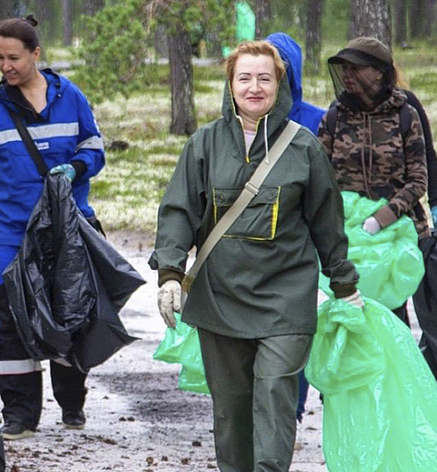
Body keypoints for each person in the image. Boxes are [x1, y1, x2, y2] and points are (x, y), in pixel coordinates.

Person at [152, 41, 361, 471]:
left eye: (265, 78)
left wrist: (345, 286)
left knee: (274, 394)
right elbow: (178, 211)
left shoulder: (304, 147)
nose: (254, 87)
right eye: (244, 77)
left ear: (279, 84)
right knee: (231, 410)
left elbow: (327, 222)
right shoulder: (204, 144)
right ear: (230, 85)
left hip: (286, 298)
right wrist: (170, 272)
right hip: (221, 298)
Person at [0, 15, 105, 441]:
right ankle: (20, 413)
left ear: (36, 54)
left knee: (67, 312)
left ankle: (72, 401)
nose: (6, 66)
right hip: (9, 231)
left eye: (14, 58)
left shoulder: (70, 97)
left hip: (63, 229)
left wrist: (76, 168)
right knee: (9, 321)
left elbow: (94, 149)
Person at [318, 36, 428, 325]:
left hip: (396, 233)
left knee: (392, 317)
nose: (347, 75)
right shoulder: (334, 117)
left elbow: (418, 179)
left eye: (355, 68)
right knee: (350, 314)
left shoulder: (405, 115)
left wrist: (382, 218)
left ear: (378, 72)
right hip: (347, 236)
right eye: (344, 69)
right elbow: (319, 176)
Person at [265, 31, 327, 425]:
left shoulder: (318, 121)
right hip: (253, 244)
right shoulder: (241, 120)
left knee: (294, 329)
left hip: (301, 245)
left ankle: (291, 408)